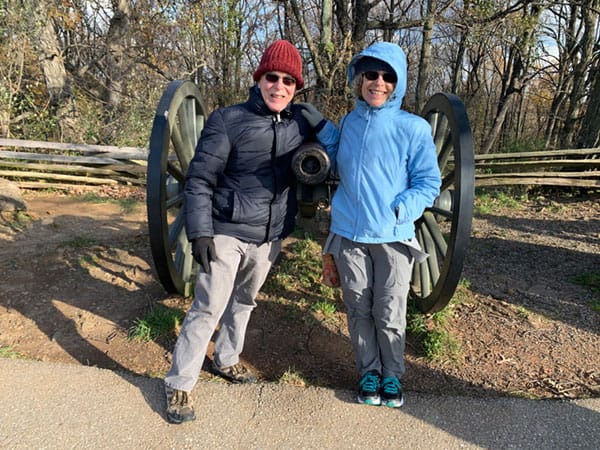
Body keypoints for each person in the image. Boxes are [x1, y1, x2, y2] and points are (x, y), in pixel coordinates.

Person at [163, 39, 337, 424]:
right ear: (259, 80)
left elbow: (338, 153)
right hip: (225, 231)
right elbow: (200, 180)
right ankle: (179, 382)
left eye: (288, 81)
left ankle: (226, 360)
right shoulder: (228, 121)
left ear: (297, 88)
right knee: (208, 307)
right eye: (272, 78)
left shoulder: (299, 124)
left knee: (244, 303)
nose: (279, 87)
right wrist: (201, 232)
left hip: (269, 237)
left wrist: (323, 124)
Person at [323, 42, 441, 408]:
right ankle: (368, 372)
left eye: (387, 76)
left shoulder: (414, 128)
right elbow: (336, 154)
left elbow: (428, 182)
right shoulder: (348, 122)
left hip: (393, 235)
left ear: (398, 82)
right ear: (359, 79)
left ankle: (392, 375)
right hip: (349, 234)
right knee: (358, 308)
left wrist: (402, 208)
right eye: (371, 74)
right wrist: (313, 122)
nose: (378, 82)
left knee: (389, 310)